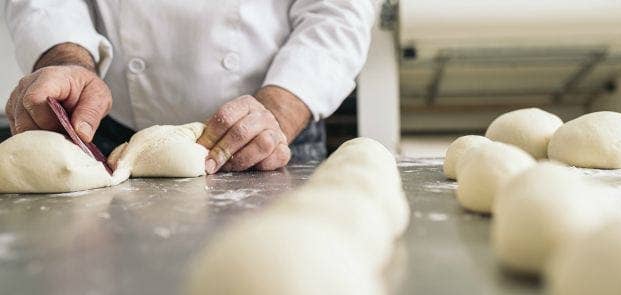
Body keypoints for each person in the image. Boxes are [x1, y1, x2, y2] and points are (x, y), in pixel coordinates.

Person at [3, 1, 376, 173]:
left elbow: (339, 10)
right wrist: (66, 60)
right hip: (110, 135)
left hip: (271, 132)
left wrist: (279, 110)